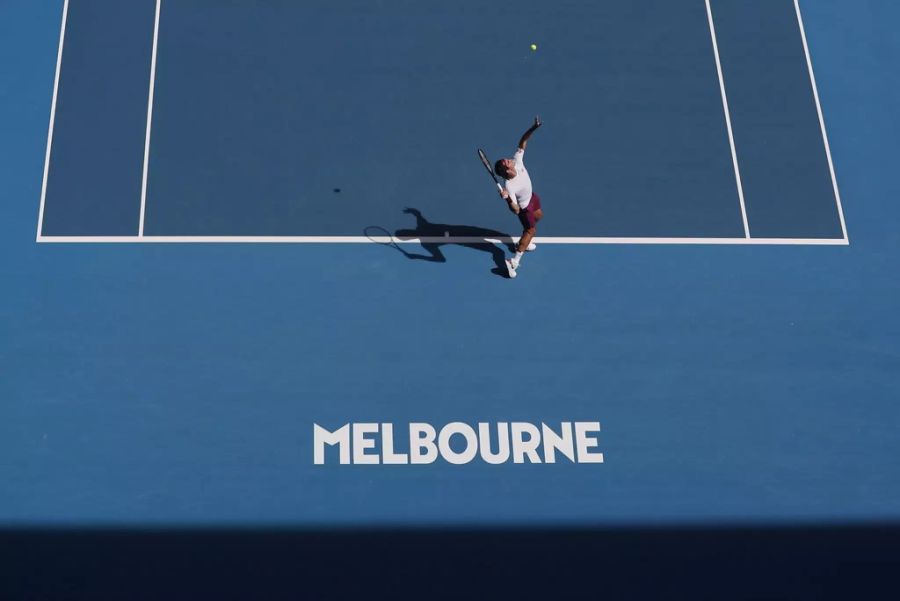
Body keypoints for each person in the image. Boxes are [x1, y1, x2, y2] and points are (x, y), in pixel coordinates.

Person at [494, 116, 543, 278]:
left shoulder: (517, 160)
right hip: (524, 208)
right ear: (506, 171)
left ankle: (524, 242)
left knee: (539, 215)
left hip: (532, 197)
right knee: (530, 230)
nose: (508, 159)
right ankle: (514, 261)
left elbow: (522, 142)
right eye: (506, 162)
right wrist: (507, 198)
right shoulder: (509, 186)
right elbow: (515, 210)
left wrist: (533, 128)